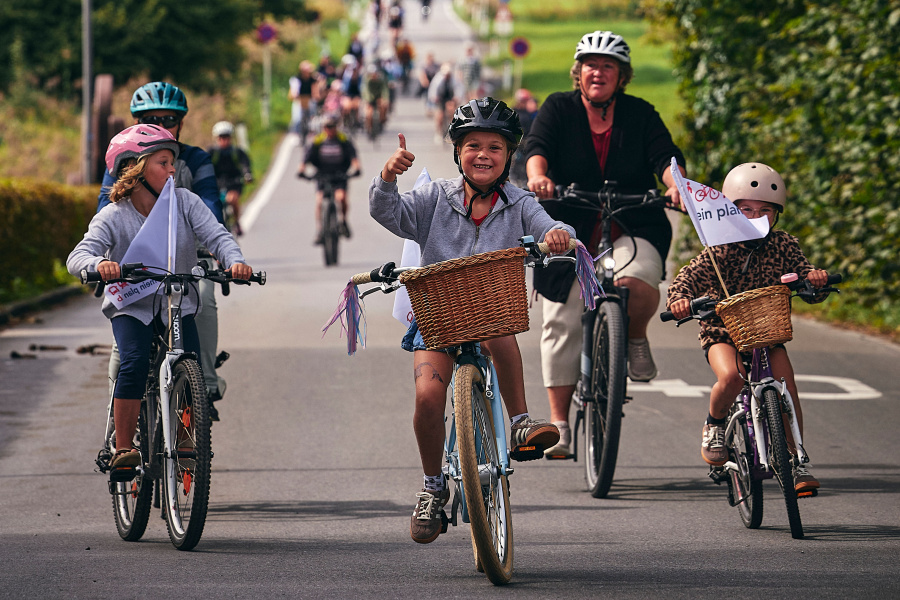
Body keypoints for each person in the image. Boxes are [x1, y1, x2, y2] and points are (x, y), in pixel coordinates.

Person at [370, 97, 572, 544]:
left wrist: (560, 236)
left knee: (500, 331)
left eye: (495, 147)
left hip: (491, 311)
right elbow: (387, 213)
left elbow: (549, 225)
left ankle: (519, 421)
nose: (484, 155)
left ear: (509, 156)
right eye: (473, 145)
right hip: (437, 318)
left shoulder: (518, 202)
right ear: (458, 152)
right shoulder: (433, 199)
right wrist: (388, 177)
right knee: (427, 398)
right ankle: (432, 486)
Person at [525, 30, 686, 458]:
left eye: (608, 66)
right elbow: (536, 148)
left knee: (640, 281)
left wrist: (675, 187)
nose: (598, 72)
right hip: (569, 225)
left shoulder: (641, 113)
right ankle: (560, 423)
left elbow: (665, 158)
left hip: (634, 220)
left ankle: (633, 335)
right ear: (579, 73)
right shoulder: (559, 107)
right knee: (560, 319)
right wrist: (538, 177)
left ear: (622, 76)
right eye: (591, 65)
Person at [69, 125, 252, 467]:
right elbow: (78, 256)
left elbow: (217, 236)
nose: (173, 170)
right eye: (164, 162)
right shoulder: (114, 214)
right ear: (135, 169)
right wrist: (101, 264)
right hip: (132, 305)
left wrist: (235, 261)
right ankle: (122, 447)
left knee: (190, 364)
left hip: (176, 302)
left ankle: (184, 441)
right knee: (134, 361)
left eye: (173, 163)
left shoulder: (184, 201)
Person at [666, 162, 827, 493]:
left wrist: (815, 279)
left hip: (767, 332)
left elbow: (805, 274)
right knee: (731, 378)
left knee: (786, 384)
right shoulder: (718, 249)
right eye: (746, 209)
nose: (756, 217)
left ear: (777, 213)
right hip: (722, 331)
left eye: (765, 210)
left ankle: (797, 459)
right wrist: (680, 299)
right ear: (730, 212)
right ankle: (714, 423)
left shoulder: (783, 245)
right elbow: (686, 279)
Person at [98, 81, 229, 420]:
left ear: (181, 123)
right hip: (136, 263)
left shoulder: (194, 158)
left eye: (169, 119)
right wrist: (102, 258)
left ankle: (206, 384)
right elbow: (105, 207)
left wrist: (217, 250)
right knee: (125, 335)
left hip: (184, 256)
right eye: (150, 118)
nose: (160, 125)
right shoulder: (126, 161)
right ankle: (118, 407)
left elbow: (210, 203)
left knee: (205, 302)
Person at [298, 113, 362, 242]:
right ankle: (320, 229)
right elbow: (306, 157)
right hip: (322, 175)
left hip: (339, 174)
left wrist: (356, 168)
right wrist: (302, 169)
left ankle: (343, 221)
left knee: (341, 197)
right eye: (327, 126)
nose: (329, 129)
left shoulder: (343, 139)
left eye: (332, 126)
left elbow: (353, 157)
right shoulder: (317, 140)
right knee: (319, 200)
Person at [208, 121, 252, 236]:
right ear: (216, 138)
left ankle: (236, 222)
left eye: (226, 137)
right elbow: (203, 166)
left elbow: (245, 164)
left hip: (234, 183)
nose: (224, 140)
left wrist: (247, 175)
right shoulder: (212, 152)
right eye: (221, 137)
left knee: (232, 199)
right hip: (216, 184)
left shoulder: (237, 152)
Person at [289, 60, 323, 144]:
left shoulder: (313, 80)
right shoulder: (296, 79)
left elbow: (315, 91)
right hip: (300, 100)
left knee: (312, 117)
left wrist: (316, 96)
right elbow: (293, 91)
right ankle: (297, 134)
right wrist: (294, 95)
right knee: (297, 118)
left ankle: (312, 132)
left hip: (309, 100)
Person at [427, 62, 462, 144]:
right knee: (440, 115)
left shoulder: (454, 79)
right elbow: (433, 89)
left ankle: (452, 132)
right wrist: (433, 98)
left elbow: (459, 89)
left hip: (450, 97)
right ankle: (438, 132)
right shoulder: (438, 78)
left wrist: (457, 98)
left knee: (452, 114)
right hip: (440, 98)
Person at [362, 63, 390, 134]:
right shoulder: (367, 81)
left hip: (378, 97)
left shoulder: (381, 80)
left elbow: (384, 90)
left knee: (383, 106)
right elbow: (366, 91)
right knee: (368, 114)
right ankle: (369, 128)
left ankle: (382, 121)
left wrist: (385, 98)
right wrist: (369, 100)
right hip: (370, 99)